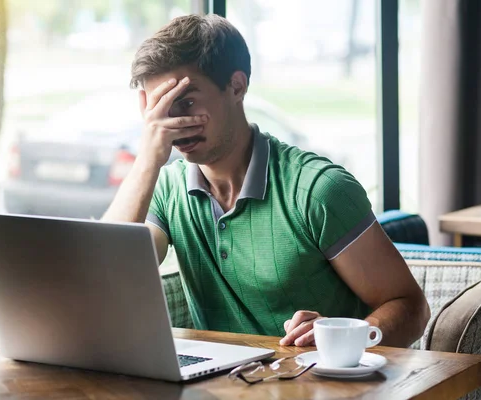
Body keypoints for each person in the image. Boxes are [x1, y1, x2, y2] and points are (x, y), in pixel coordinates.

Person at [103, 14, 430, 348]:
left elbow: (412, 308)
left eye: (185, 103)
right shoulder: (165, 188)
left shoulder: (318, 190)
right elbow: (105, 274)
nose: (173, 124)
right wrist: (147, 160)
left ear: (237, 87)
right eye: (160, 109)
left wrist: (346, 336)